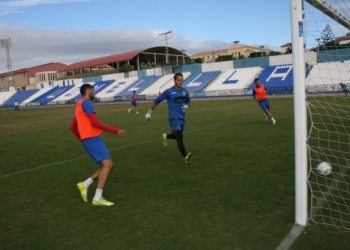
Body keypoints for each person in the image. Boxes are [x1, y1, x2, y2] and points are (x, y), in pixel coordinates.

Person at [70, 84, 127, 206]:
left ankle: (84, 185)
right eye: (93, 90)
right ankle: (97, 198)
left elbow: (72, 127)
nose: (94, 93)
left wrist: (82, 139)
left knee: (110, 166)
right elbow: (95, 123)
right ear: (88, 90)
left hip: (90, 139)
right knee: (108, 165)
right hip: (92, 139)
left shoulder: (79, 105)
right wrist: (115, 130)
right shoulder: (87, 103)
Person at [145, 72, 192, 165]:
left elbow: (188, 101)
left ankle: (166, 136)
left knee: (176, 136)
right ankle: (186, 157)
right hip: (173, 118)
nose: (180, 82)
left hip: (182, 118)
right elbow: (157, 101)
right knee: (179, 137)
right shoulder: (169, 92)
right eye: (178, 80)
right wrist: (149, 112)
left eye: (181, 80)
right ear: (174, 81)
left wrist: (187, 106)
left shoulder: (185, 91)